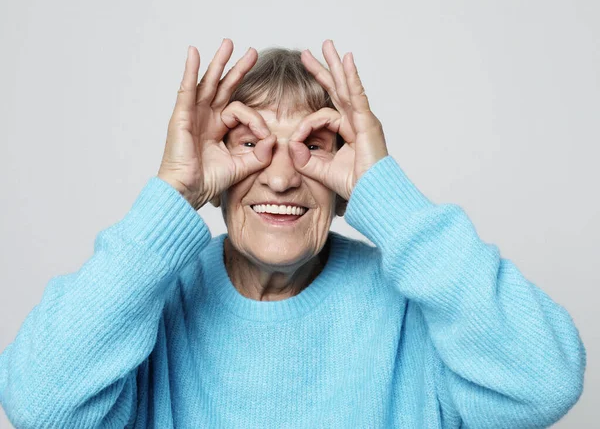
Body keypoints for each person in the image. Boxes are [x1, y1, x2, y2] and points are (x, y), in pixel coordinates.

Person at [0, 38, 586, 428]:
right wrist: (173, 195)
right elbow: (38, 405)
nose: (280, 176)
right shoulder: (151, 303)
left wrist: (391, 199)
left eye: (314, 146)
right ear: (214, 166)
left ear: (345, 174)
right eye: (249, 146)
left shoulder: (415, 306)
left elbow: (545, 382)